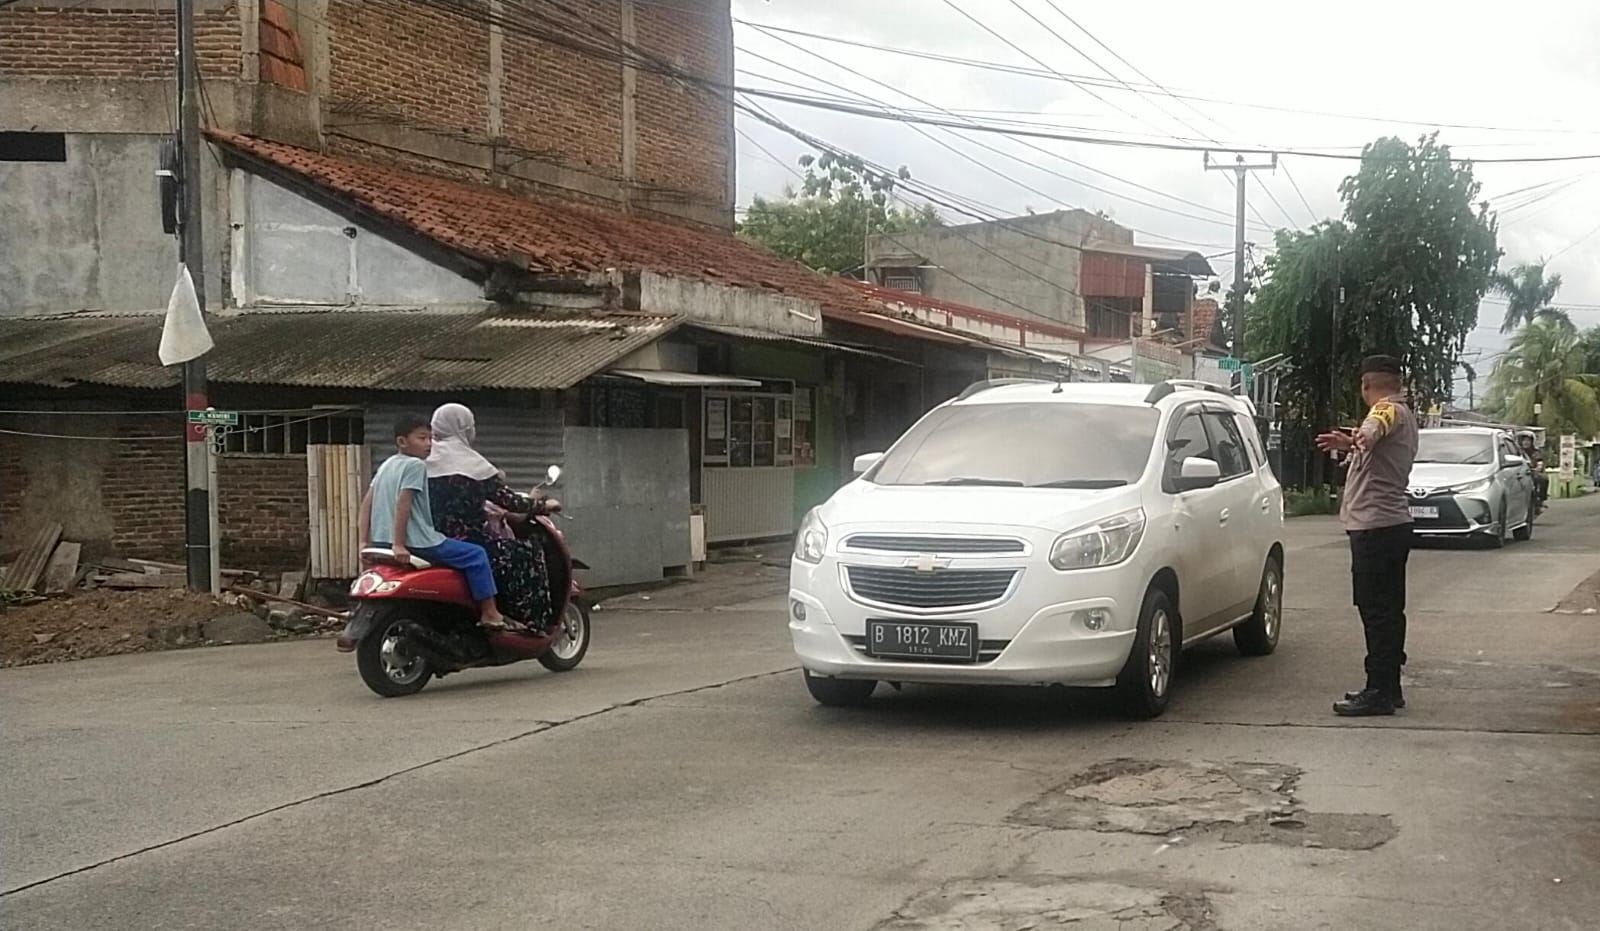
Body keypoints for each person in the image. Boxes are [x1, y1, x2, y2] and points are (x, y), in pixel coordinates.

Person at [1315, 355, 1419, 717]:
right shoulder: (1404, 413)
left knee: (1376, 612)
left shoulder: (1386, 410)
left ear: (1366, 385)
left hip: (1376, 528)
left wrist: (1360, 435)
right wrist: (1352, 444)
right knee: (1389, 610)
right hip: (1390, 525)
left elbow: (1375, 426)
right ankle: (1389, 687)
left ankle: (1378, 691)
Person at [358, 413, 509, 630]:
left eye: (430, 438)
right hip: (419, 541)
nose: (429, 444)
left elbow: (366, 503)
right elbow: (404, 503)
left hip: (381, 541)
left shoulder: (386, 465)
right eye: (422, 438)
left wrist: (363, 542)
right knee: (476, 555)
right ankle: (490, 613)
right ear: (402, 441)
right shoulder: (416, 466)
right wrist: (399, 544)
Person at [425, 403, 553, 630]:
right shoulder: (472, 465)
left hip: (429, 538)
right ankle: (529, 621)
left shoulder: (422, 460)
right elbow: (510, 501)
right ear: (463, 428)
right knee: (528, 551)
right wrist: (542, 505)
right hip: (470, 540)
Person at [1519, 432, 1548, 511]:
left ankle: (1541, 499)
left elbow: (1540, 462)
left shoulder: (1535, 452)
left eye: (1528, 440)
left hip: (1531, 472)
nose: (1526, 442)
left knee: (1543, 479)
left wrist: (1537, 468)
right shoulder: (1518, 452)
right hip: (1519, 473)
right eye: (1524, 440)